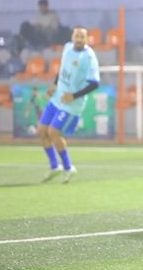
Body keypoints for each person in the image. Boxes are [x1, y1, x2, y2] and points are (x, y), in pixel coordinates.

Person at [38, 26, 100, 183]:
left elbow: (95, 83)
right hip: (57, 97)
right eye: (76, 36)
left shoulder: (89, 57)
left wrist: (74, 96)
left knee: (53, 132)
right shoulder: (67, 48)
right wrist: (54, 85)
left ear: (87, 39)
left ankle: (68, 167)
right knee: (42, 131)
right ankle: (54, 166)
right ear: (72, 37)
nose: (79, 39)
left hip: (71, 104)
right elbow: (62, 69)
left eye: (82, 37)